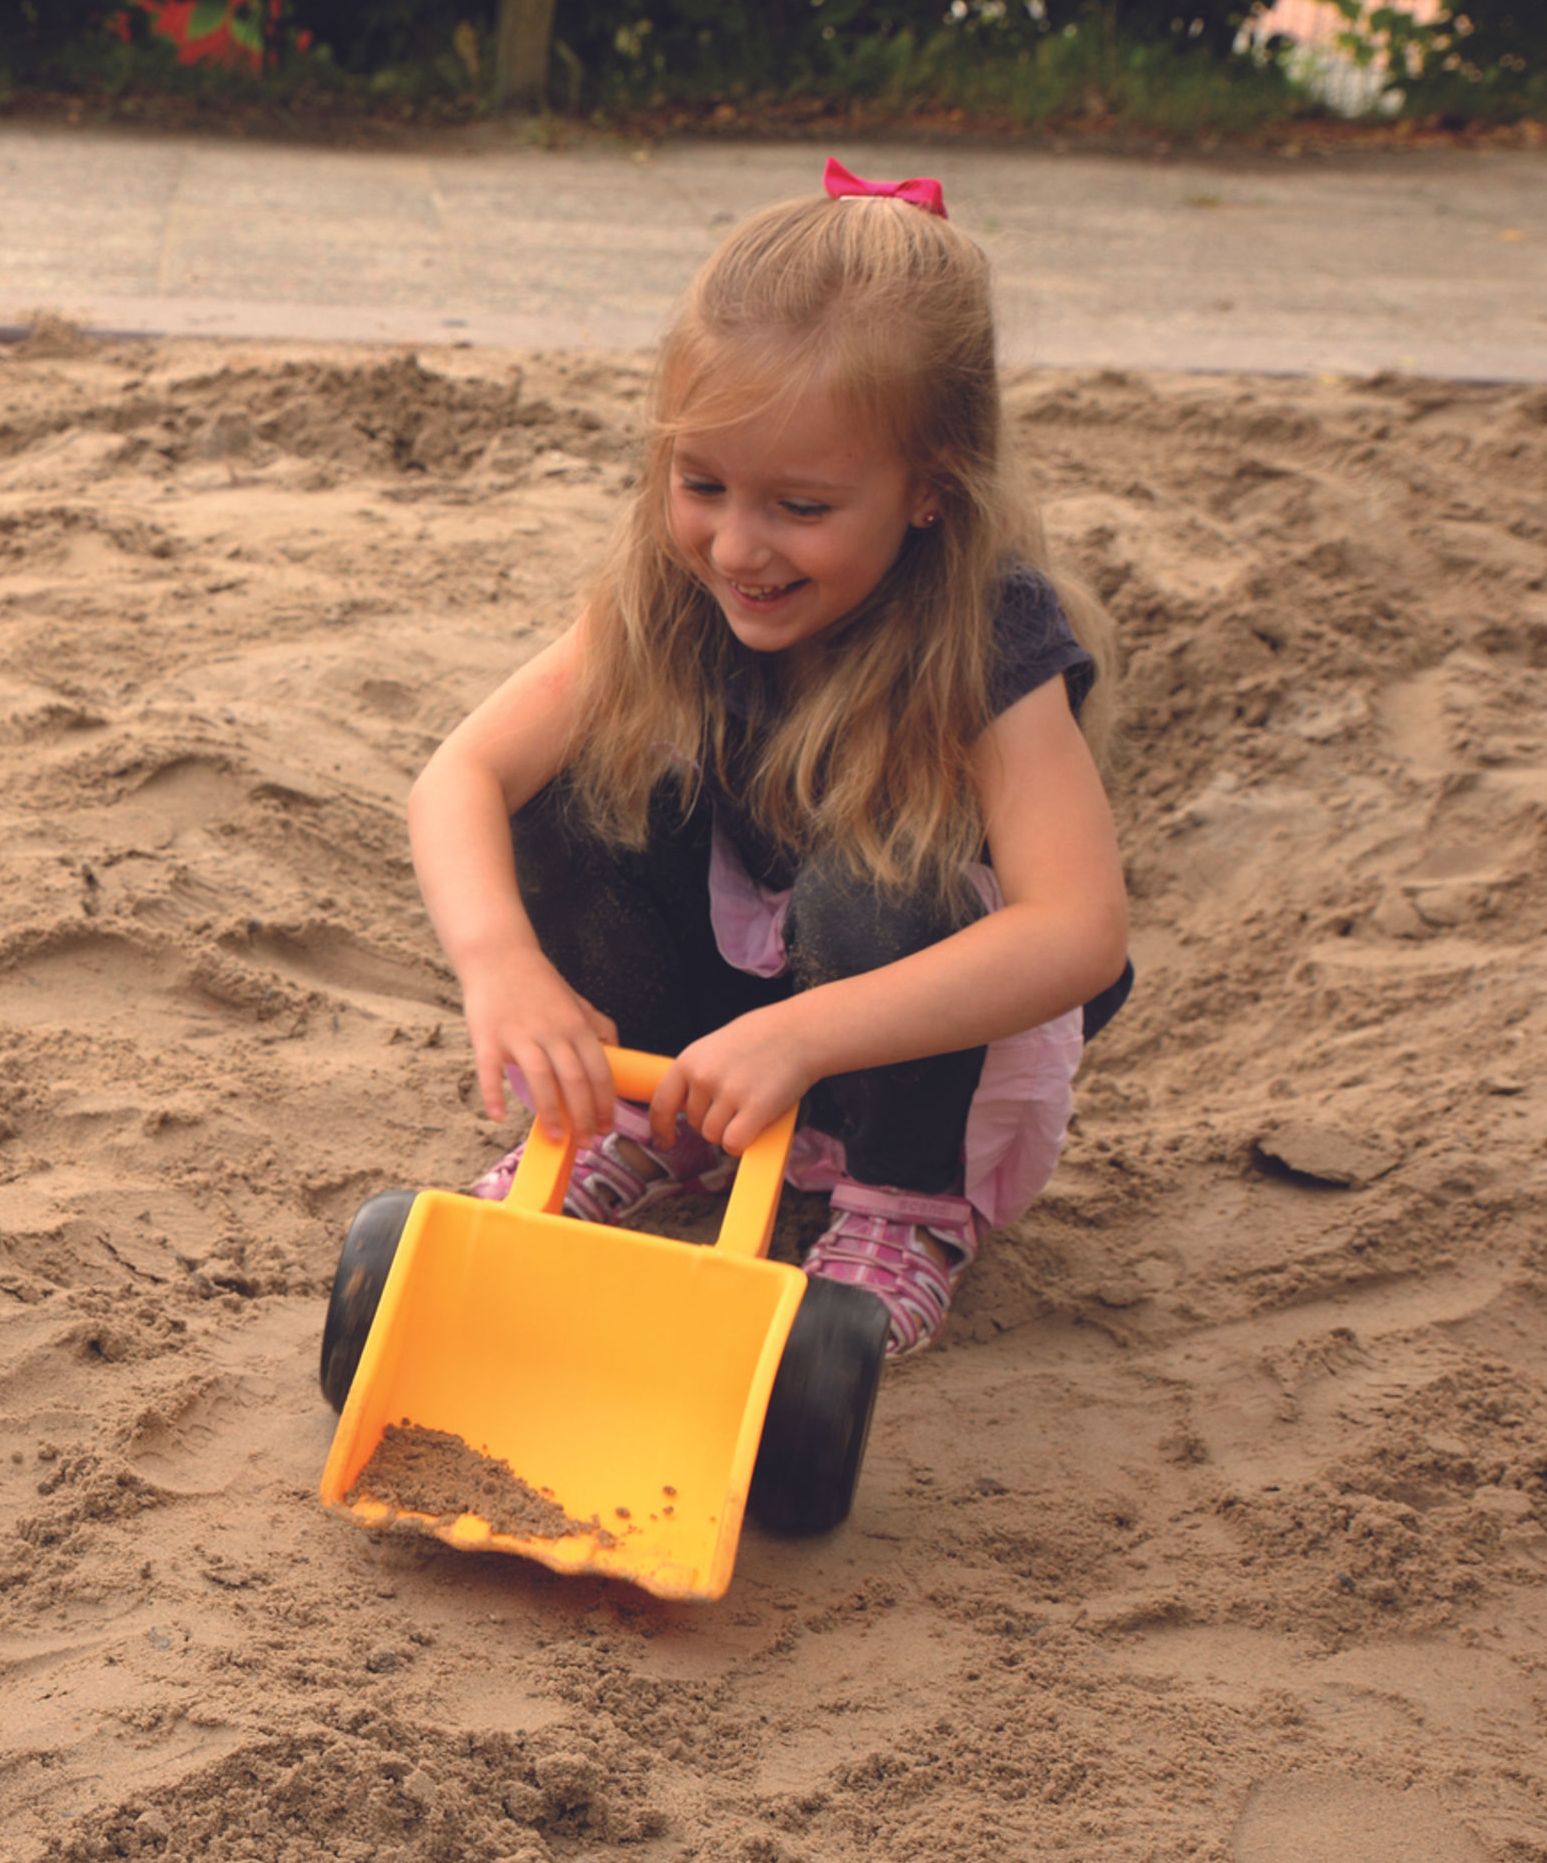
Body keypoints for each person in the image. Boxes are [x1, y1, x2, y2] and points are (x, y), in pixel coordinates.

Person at [407, 162, 1132, 1359]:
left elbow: (1080, 929)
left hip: (907, 1036)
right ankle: (646, 1115)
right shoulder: (671, 585)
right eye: (701, 484)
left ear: (928, 492)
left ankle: (904, 1208)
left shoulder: (987, 635)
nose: (738, 548)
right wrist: (501, 965)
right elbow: (461, 778)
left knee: (884, 878)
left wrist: (809, 1034)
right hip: (724, 1012)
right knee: (567, 800)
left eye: (800, 508)